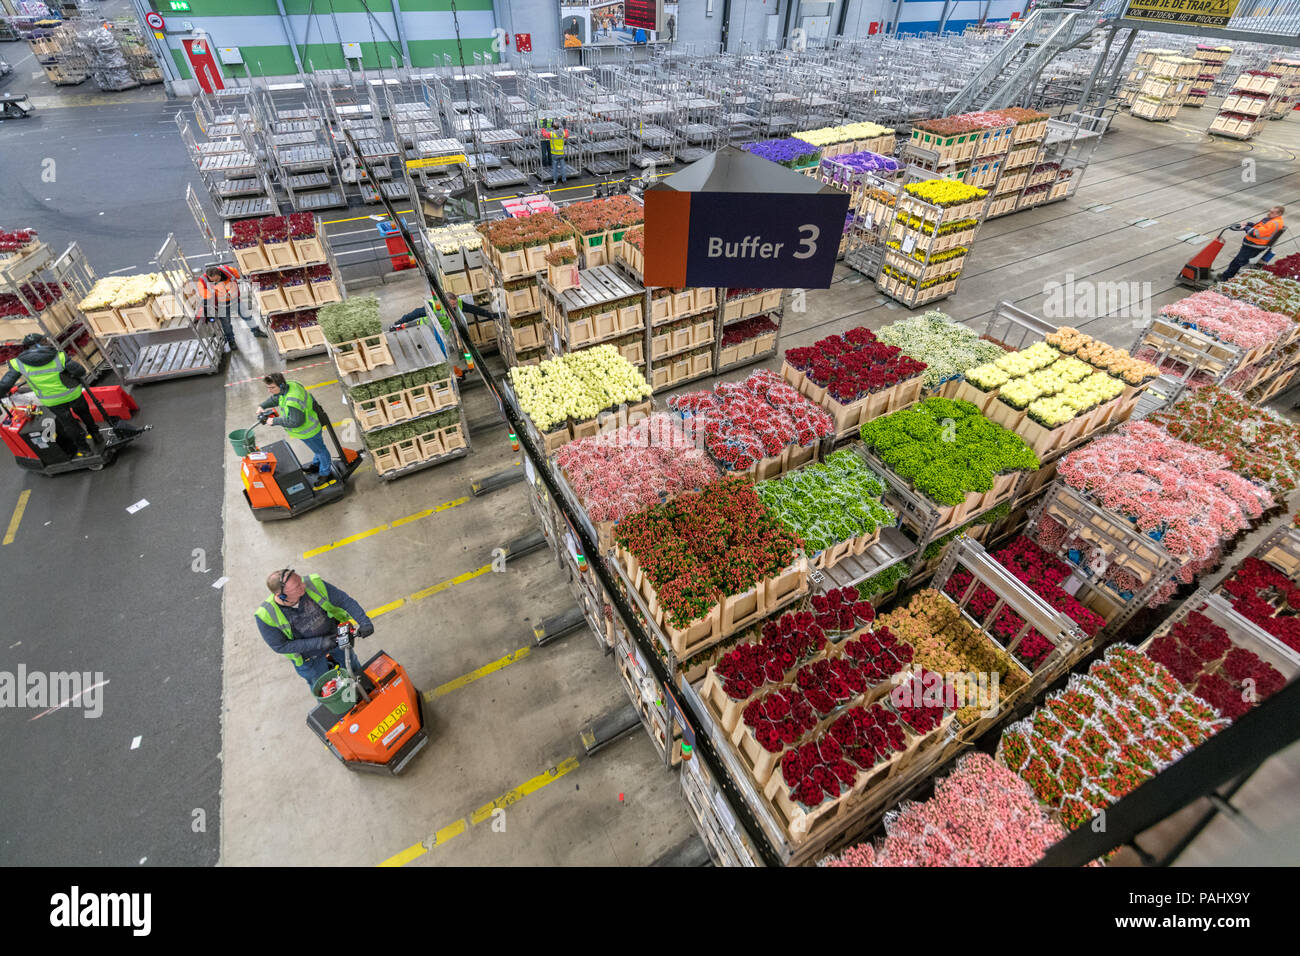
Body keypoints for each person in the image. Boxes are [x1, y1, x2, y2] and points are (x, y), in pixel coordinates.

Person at [254, 568, 373, 690]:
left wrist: (364, 622)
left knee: (354, 670)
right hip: (309, 658)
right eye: (297, 587)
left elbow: (344, 600)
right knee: (325, 689)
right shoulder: (266, 615)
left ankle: (365, 692)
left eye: (300, 581)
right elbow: (280, 646)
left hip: (336, 640)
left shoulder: (313, 583)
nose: (304, 585)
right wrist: (321, 642)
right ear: (282, 596)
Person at [0, 333, 101, 457]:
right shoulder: (59, 356)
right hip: (72, 394)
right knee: (85, 414)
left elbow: (5, 384)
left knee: (68, 424)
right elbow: (80, 371)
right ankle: (96, 435)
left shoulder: (18, 364)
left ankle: (85, 449)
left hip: (52, 401)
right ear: (42, 342)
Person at [258, 372, 334, 478]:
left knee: (321, 451)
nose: (269, 391)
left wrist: (274, 421)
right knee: (317, 448)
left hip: (308, 431)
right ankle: (317, 465)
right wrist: (262, 406)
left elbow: (295, 422)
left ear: (281, 385)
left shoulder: (292, 401)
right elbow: (277, 398)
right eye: (268, 388)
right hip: (311, 423)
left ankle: (325, 473)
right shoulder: (291, 384)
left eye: (272, 388)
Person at [195, 263, 266, 352]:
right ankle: (231, 341)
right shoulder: (203, 281)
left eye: (217, 279)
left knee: (247, 315)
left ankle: (256, 331)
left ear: (219, 274)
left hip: (235, 300)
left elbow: (240, 274)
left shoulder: (228, 270)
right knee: (226, 325)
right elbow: (206, 296)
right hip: (221, 305)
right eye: (212, 281)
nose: (215, 282)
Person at [1219, 205, 1286, 280]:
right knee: (1238, 261)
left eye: (1272, 212)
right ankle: (1227, 275)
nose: (1269, 213)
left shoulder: (1274, 223)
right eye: (1270, 211)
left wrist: (1245, 227)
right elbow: (1260, 227)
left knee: (1237, 262)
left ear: (1279, 214)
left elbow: (1256, 233)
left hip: (1254, 246)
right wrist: (1250, 224)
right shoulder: (1271, 219)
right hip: (1251, 245)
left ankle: (1225, 277)